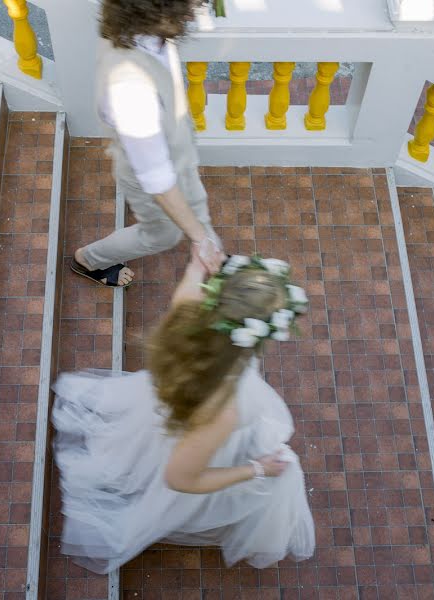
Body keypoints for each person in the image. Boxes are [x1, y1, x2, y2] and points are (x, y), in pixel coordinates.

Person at [52, 254, 315, 573]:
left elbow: (195, 270)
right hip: (194, 440)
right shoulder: (222, 410)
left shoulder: (190, 303)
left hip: (166, 410)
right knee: (284, 477)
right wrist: (257, 470)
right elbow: (180, 479)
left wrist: (200, 262)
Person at [71, 0, 226, 288]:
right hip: (149, 175)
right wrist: (200, 238)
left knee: (191, 200)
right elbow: (158, 180)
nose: (199, 7)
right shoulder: (131, 87)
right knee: (162, 235)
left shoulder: (142, 31)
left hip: (170, 155)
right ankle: (89, 259)